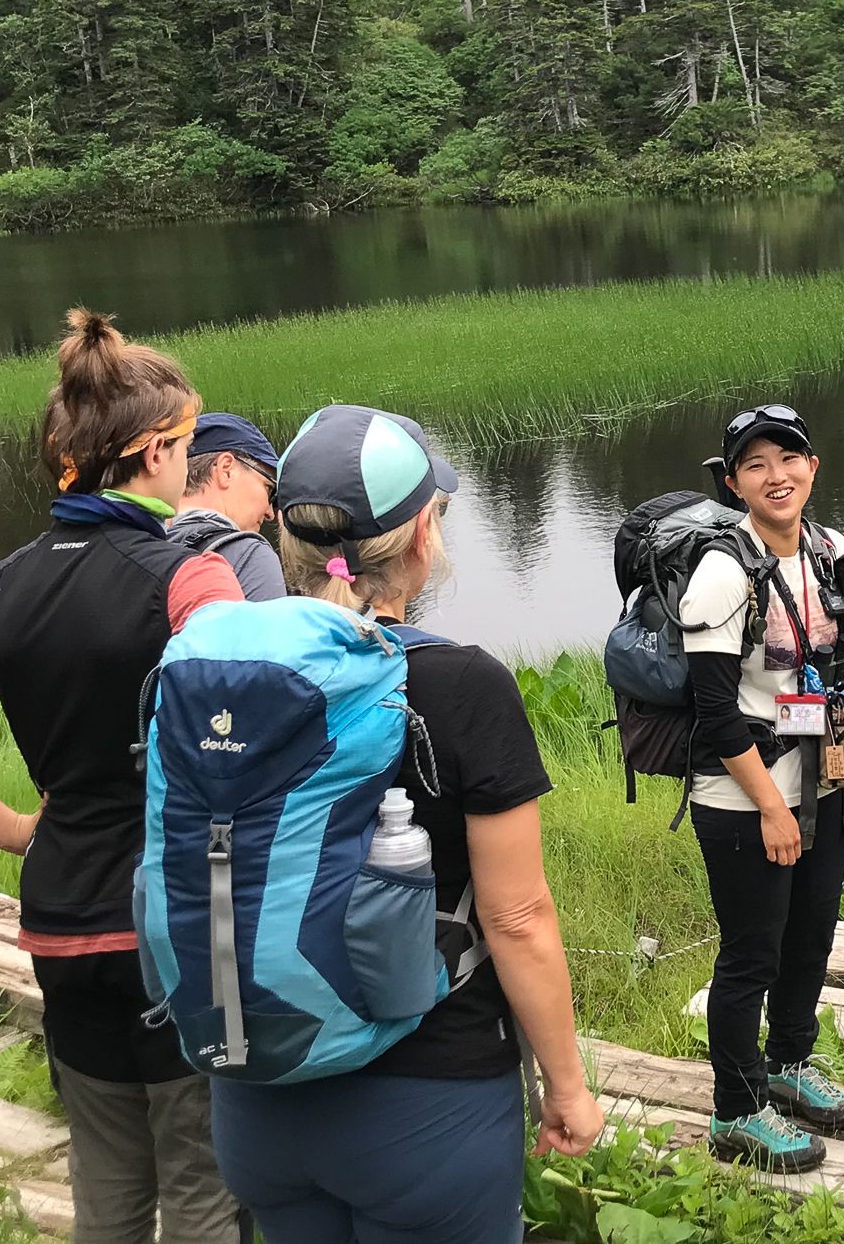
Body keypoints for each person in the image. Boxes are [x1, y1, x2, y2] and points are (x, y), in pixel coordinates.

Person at [0, 308, 246, 1244]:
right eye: (186, 445)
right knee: (200, 1181)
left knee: (105, 1182)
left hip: (60, 920)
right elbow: (247, 748)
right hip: (178, 923)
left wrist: (25, 830)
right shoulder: (192, 583)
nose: (190, 465)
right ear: (152, 454)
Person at [206, 403, 602, 1244]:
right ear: (424, 533)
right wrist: (566, 1088)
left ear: (285, 533)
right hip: (426, 1110)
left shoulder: (218, 665)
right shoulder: (462, 685)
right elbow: (518, 917)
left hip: (256, 1089)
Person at [679, 403, 844, 1174]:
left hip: (823, 784)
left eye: (789, 459)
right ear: (733, 482)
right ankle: (735, 1110)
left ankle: (789, 1064)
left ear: (814, 468)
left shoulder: (832, 555)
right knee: (751, 956)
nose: (777, 476)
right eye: (756, 465)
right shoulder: (722, 573)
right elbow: (713, 713)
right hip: (743, 798)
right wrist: (770, 806)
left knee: (810, 940)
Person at [167, 412, 287, 601]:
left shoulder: (129, 545)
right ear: (226, 470)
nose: (270, 512)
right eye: (269, 489)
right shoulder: (249, 556)